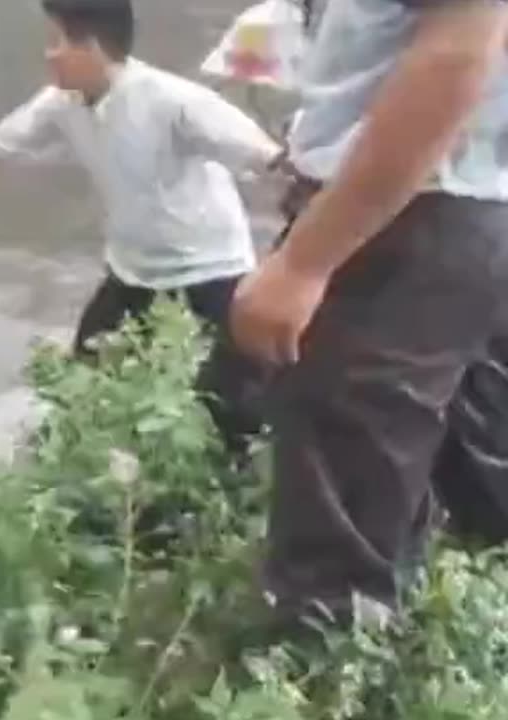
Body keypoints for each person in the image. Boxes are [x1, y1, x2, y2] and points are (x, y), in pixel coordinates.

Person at [230, 0, 508, 630]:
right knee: (471, 463)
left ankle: (331, 677)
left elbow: (453, 53)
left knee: (340, 524)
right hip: (462, 208)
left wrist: (305, 261)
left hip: (406, 220)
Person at [0, 0, 284, 454]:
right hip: (135, 270)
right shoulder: (61, 103)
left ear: (91, 46)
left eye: (56, 42)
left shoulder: (173, 102)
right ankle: (87, 465)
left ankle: (241, 481)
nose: (48, 55)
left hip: (211, 269)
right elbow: (5, 141)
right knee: (82, 377)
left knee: (233, 401)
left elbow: (262, 156)